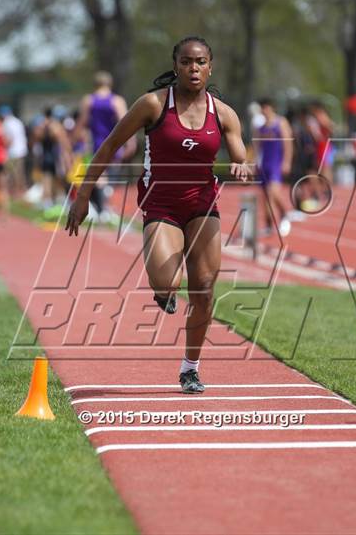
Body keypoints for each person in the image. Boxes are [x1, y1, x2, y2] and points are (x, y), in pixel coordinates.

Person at [66, 36, 251, 394]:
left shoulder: (224, 113)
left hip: (202, 205)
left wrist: (241, 165)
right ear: (176, 65)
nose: (193, 69)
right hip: (161, 204)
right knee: (165, 282)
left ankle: (190, 369)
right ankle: (163, 291)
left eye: (200, 62)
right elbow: (108, 147)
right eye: (186, 62)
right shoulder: (152, 105)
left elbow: (239, 149)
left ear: (210, 67)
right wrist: (83, 194)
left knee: (205, 288)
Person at [77, 71, 137, 220]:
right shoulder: (117, 101)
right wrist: (131, 142)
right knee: (110, 176)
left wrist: (74, 141)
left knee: (100, 176)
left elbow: (81, 123)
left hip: (96, 143)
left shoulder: (88, 100)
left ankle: (102, 208)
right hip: (114, 143)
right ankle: (104, 208)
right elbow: (127, 122)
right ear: (110, 84)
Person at [253, 97, 293, 237]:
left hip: (276, 164)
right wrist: (255, 163)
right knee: (264, 198)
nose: (264, 111)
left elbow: (288, 144)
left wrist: (287, 161)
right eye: (262, 108)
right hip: (264, 165)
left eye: (266, 107)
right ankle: (269, 225)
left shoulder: (280, 123)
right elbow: (257, 148)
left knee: (273, 193)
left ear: (271, 108)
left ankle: (285, 213)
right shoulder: (261, 128)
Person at [34, 107, 72, 209]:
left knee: (47, 178)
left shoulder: (41, 125)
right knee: (58, 179)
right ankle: (57, 201)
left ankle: (49, 201)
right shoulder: (56, 126)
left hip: (46, 155)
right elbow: (63, 142)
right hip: (55, 156)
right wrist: (67, 156)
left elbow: (36, 138)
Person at [0, 105, 28, 198]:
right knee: (19, 173)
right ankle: (21, 192)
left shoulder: (7, 123)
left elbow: (9, 139)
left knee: (12, 173)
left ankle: (17, 193)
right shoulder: (17, 121)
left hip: (13, 151)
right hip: (21, 150)